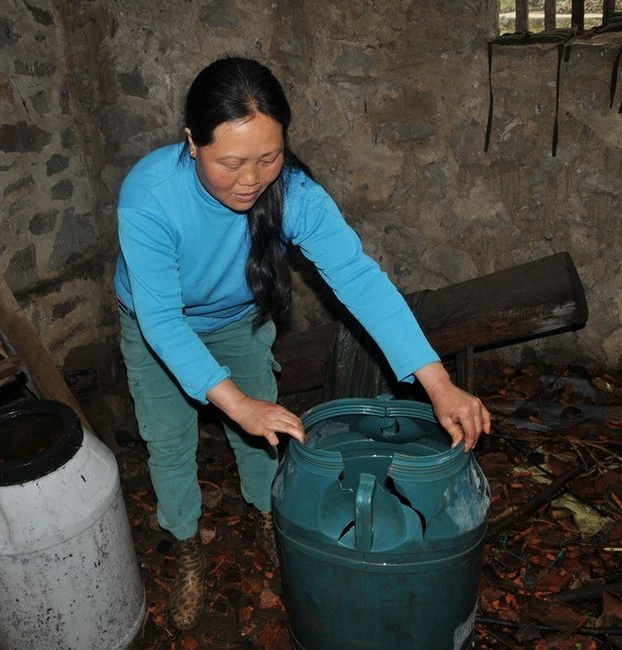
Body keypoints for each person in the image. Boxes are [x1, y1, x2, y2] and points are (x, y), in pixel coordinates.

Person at [114, 56, 491, 631]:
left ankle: (269, 517)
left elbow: (361, 281)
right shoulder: (149, 196)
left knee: (266, 433)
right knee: (169, 441)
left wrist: (438, 384)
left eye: (268, 157)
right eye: (231, 162)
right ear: (191, 143)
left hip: (238, 320)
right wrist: (234, 402)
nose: (251, 179)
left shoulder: (294, 194)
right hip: (157, 324)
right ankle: (187, 543)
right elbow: (162, 321)